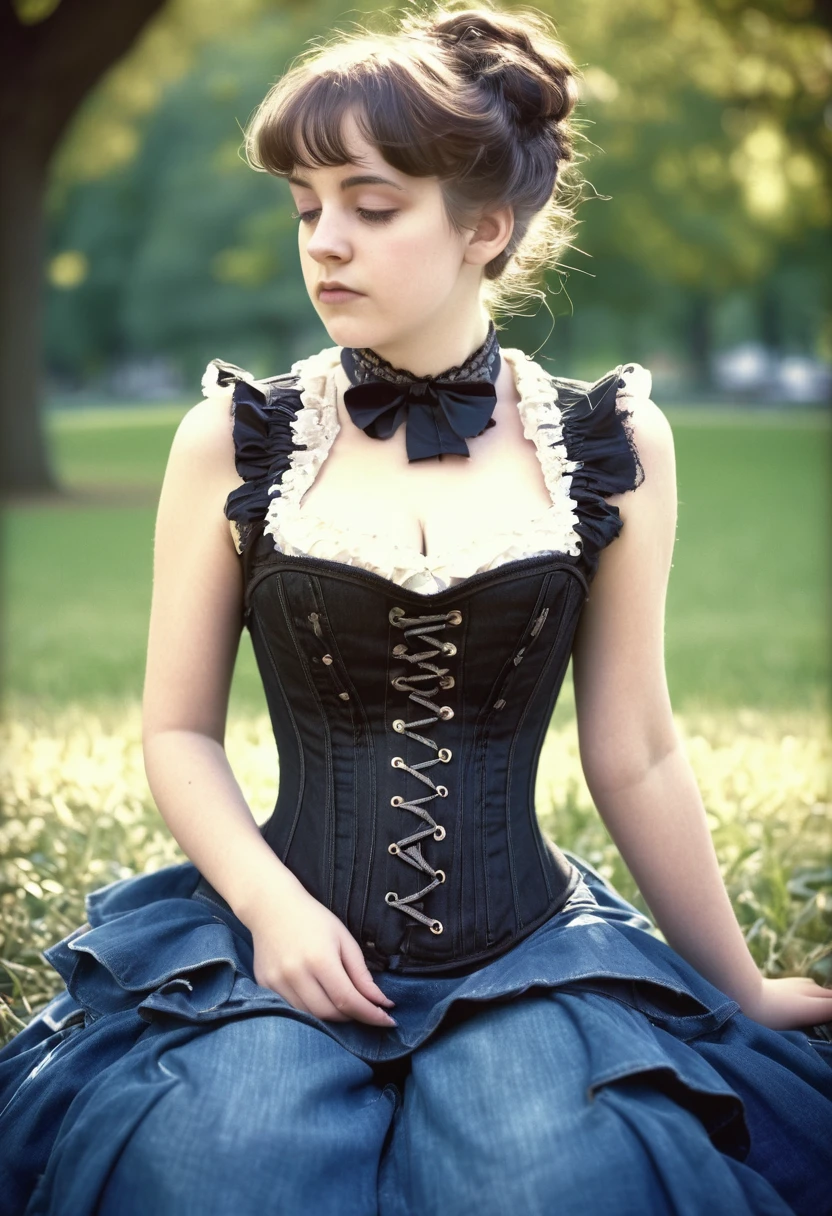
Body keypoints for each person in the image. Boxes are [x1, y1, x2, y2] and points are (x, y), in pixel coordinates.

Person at [2, 3, 831, 1214]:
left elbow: (635, 747)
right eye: (305, 208)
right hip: (276, 938)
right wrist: (274, 910)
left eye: (370, 205)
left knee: (562, 1181)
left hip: (523, 945)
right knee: (209, 1169)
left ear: (483, 227)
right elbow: (177, 731)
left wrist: (741, 986)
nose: (324, 242)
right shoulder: (238, 436)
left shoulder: (606, 443)